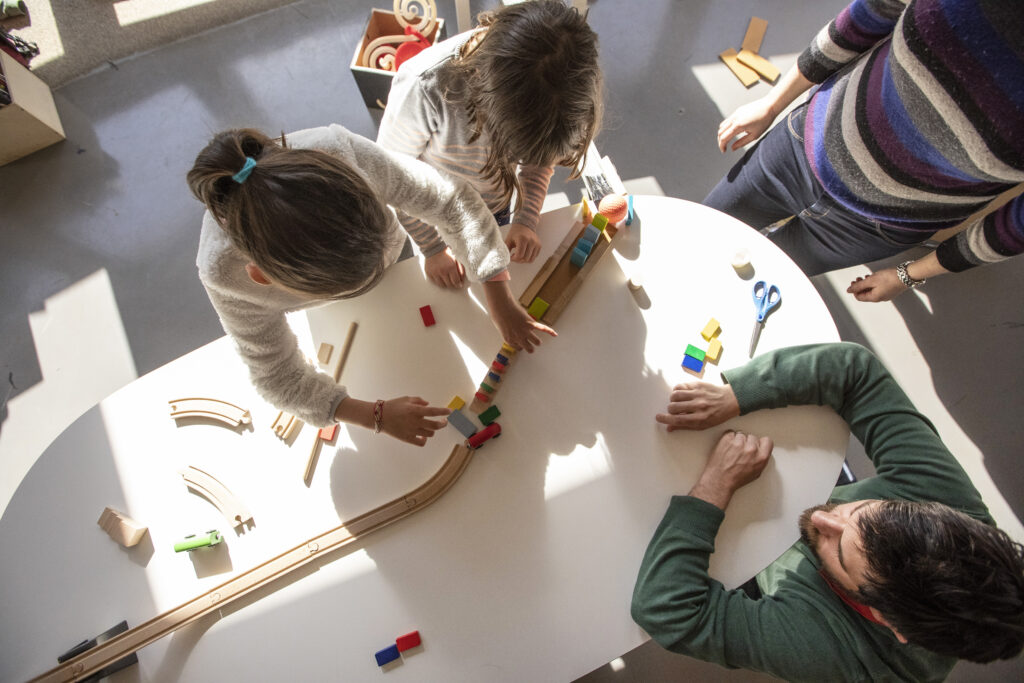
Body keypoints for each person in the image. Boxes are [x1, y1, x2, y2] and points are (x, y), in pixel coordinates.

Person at [632, 342, 1024, 681]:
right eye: (864, 510)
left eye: (838, 549)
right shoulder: (950, 509)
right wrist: (737, 396)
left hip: (747, 571)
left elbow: (669, 612)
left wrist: (714, 487)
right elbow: (856, 371)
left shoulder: (844, 658)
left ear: (887, 621)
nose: (821, 516)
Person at [187, 125, 554, 445]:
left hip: (398, 281)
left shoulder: (340, 151)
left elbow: (449, 199)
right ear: (261, 277)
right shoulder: (223, 274)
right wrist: (371, 414)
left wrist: (495, 286)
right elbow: (276, 374)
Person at [705, 0, 1024, 303]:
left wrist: (907, 276)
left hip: (869, 230)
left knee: (744, 291)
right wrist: (772, 104)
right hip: (798, 147)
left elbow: (1015, 228)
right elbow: (867, 16)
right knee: (699, 236)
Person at [377, 0, 603, 287]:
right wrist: (433, 249)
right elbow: (395, 179)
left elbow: (539, 159)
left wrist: (526, 217)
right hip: (433, 217)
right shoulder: (422, 87)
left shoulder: (554, 94)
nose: (518, 158)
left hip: (495, 206)